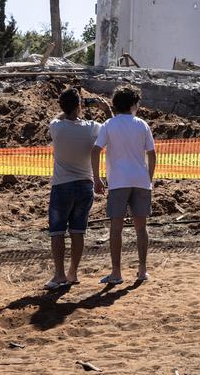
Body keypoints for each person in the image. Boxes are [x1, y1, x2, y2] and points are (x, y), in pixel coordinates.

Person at [44, 88, 112, 290]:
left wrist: (69, 109)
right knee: (78, 231)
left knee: (57, 232)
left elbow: (58, 116)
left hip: (62, 184)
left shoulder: (56, 127)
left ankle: (59, 274)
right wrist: (106, 109)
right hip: (85, 184)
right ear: (79, 106)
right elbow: (111, 128)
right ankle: (73, 272)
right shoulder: (92, 128)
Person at [91, 86, 156, 285]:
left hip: (118, 181)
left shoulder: (109, 124)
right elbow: (152, 154)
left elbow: (95, 151)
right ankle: (142, 270)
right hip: (140, 180)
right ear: (134, 104)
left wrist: (97, 178)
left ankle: (116, 272)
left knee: (116, 228)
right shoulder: (142, 124)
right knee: (141, 226)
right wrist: (149, 178)